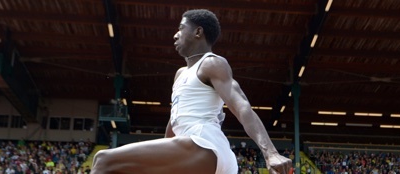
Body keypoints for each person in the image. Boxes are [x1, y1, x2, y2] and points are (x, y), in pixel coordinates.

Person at [91, 9, 292, 174]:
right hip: (192, 152)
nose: (175, 34)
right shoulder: (180, 75)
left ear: (198, 32)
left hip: (204, 144)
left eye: (180, 28)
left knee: (103, 161)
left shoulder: (212, 63)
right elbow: (174, 124)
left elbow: (241, 106)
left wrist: (270, 153)